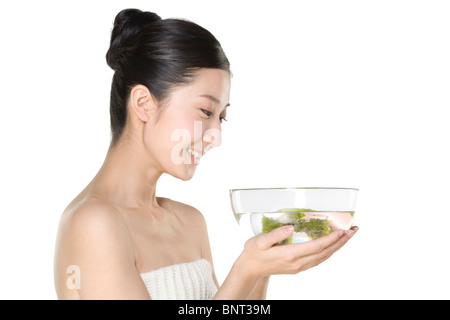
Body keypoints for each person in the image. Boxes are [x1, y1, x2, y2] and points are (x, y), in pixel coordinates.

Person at [53, 8, 358, 300]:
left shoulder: (189, 221)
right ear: (143, 103)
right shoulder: (93, 223)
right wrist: (246, 271)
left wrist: (264, 268)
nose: (215, 136)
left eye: (221, 118)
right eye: (205, 111)